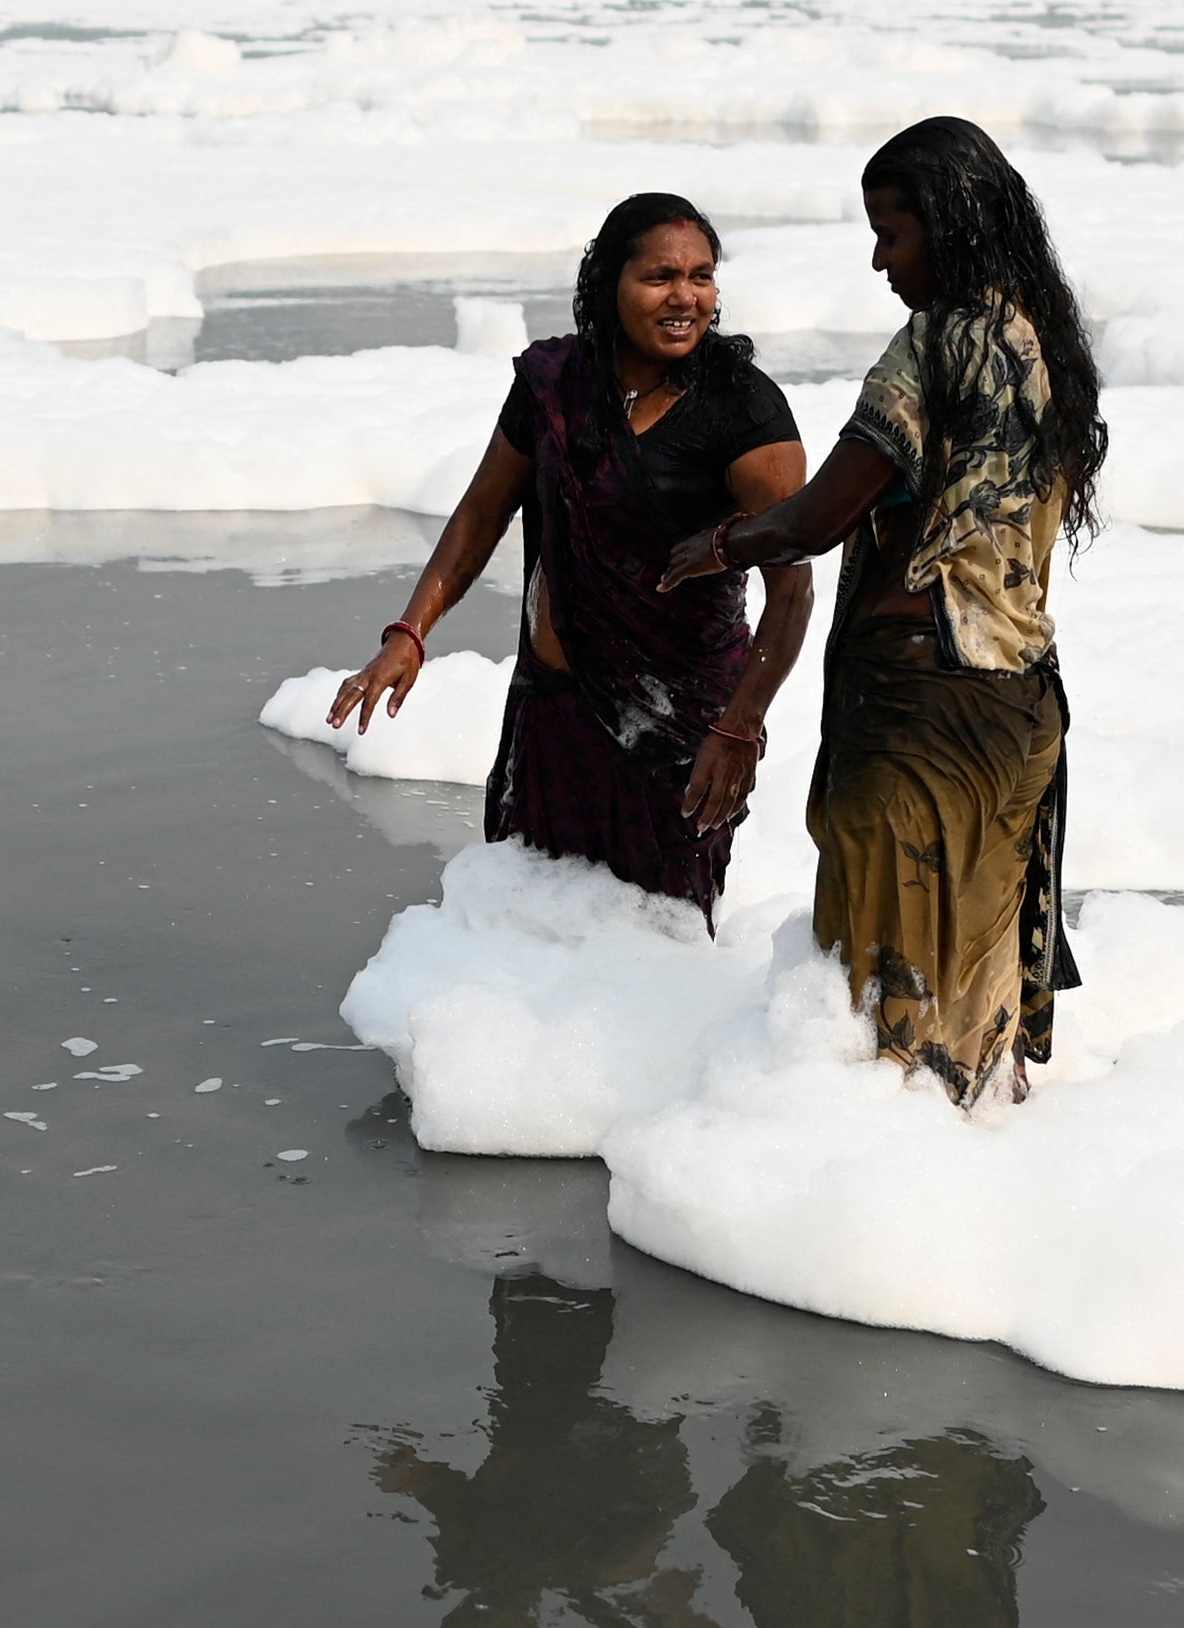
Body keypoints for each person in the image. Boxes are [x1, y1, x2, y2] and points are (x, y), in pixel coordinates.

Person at [659, 115, 1108, 1107]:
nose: (878, 259)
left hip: (920, 700)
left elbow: (823, 514)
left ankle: (855, 1215)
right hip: (1018, 704)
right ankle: (971, 1198)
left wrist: (722, 544)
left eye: (893, 233)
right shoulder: (1042, 346)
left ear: (948, 229)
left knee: (882, 981)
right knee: (975, 991)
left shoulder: (937, 341)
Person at [330, 192, 813, 918]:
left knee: (659, 942)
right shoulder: (556, 386)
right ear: (609, 284)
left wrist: (740, 727)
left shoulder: (743, 410)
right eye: (660, 277)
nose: (686, 296)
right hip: (552, 717)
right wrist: (410, 633)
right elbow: (481, 514)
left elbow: (793, 591)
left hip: (680, 728)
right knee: (528, 927)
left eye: (703, 275)